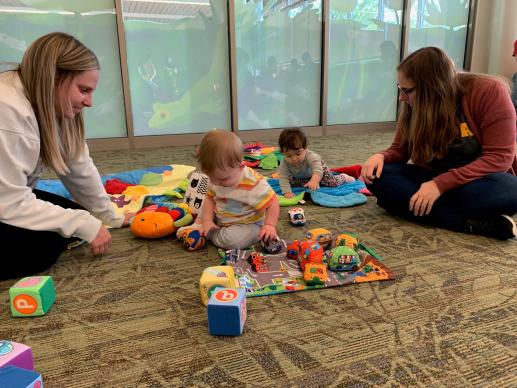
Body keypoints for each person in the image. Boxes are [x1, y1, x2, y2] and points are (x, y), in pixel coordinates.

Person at [0, 32, 132, 281]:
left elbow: (78, 166)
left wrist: (109, 216)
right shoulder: (8, 111)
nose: (90, 102)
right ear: (54, 78)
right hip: (5, 200)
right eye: (83, 90)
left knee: (72, 214)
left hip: (7, 196)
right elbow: (8, 201)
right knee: (44, 247)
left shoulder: (49, 103)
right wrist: (82, 224)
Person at [360, 47, 517, 240]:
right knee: (379, 175)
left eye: (407, 91)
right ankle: (467, 224)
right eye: (400, 89)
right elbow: (400, 150)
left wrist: (439, 185)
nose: (401, 97)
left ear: (432, 87)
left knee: (509, 189)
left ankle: (414, 205)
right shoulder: (414, 104)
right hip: (430, 178)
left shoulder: (489, 91)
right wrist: (381, 156)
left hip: (476, 182)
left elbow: (500, 158)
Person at [180, 129, 279, 250]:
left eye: (224, 179)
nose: (217, 183)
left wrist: (269, 225)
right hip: (221, 214)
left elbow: (273, 202)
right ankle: (202, 224)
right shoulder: (216, 178)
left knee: (234, 242)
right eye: (212, 177)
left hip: (248, 223)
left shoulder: (253, 184)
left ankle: (210, 233)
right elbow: (210, 198)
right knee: (202, 204)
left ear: (241, 166)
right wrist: (207, 220)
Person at [278, 128, 355, 198]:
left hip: (319, 170)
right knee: (293, 183)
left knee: (331, 182)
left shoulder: (311, 156)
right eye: (288, 156)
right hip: (300, 175)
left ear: (305, 148)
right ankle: (310, 181)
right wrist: (287, 192)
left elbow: (317, 170)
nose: (294, 159)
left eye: (298, 154)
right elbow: (283, 177)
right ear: (283, 153)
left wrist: (314, 181)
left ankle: (343, 177)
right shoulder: (284, 162)